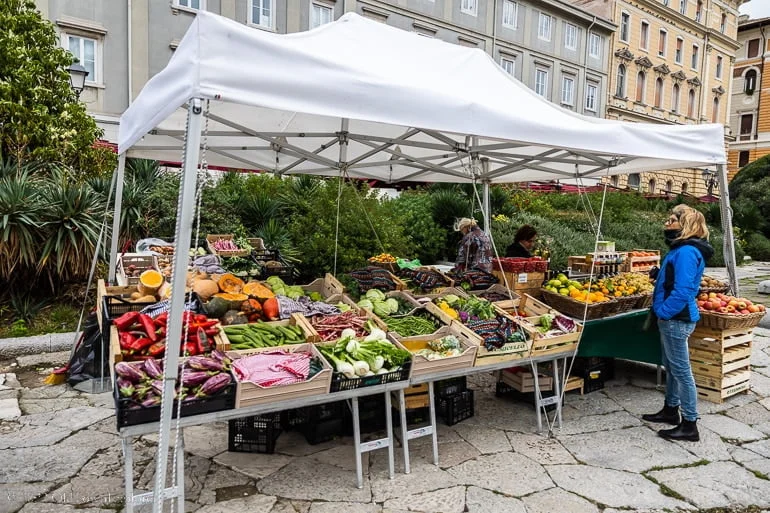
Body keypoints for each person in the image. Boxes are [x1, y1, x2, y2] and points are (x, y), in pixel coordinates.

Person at [642, 206, 713, 442]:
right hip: (675, 317)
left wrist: (663, 311)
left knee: (681, 371)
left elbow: (683, 290)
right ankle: (671, 410)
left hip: (676, 319)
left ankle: (690, 424)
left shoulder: (686, 252)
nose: (667, 222)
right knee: (671, 367)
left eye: (672, 220)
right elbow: (675, 281)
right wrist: (659, 274)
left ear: (685, 225)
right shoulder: (681, 249)